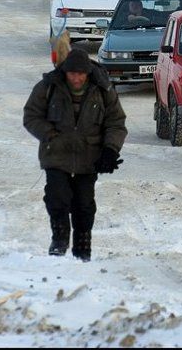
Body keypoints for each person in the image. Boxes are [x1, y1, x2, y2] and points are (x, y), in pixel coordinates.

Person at [23, 48, 127, 261]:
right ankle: (59, 239)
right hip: (56, 155)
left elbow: (116, 123)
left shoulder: (103, 90)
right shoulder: (49, 87)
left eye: (81, 74)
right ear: (65, 72)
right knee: (57, 197)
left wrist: (110, 149)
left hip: (88, 157)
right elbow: (31, 115)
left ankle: (82, 248)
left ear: (88, 73)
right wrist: (49, 134)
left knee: (84, 204)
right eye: (72, 73)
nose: (76, 78)